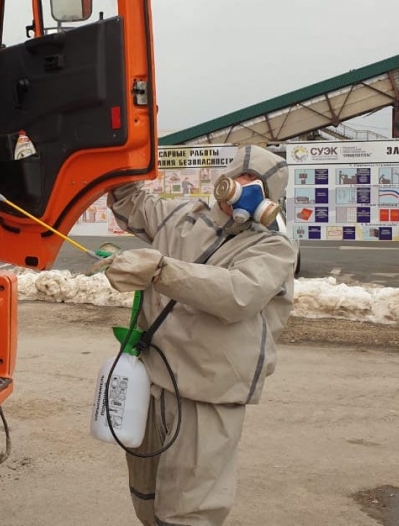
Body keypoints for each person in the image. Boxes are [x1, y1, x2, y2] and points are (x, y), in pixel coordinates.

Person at [99, 145, 296, 526]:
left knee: (190, 510)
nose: (243, 189)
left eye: (255, 184)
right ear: (224, 180)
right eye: (239, 178)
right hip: (155, 383)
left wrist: (161, 272)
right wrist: (119, 152)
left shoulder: (273, 247)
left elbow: (238, 293)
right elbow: (131, 202)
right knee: (147, 495)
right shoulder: (183, 220)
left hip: (210, 393)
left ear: (271, 196)